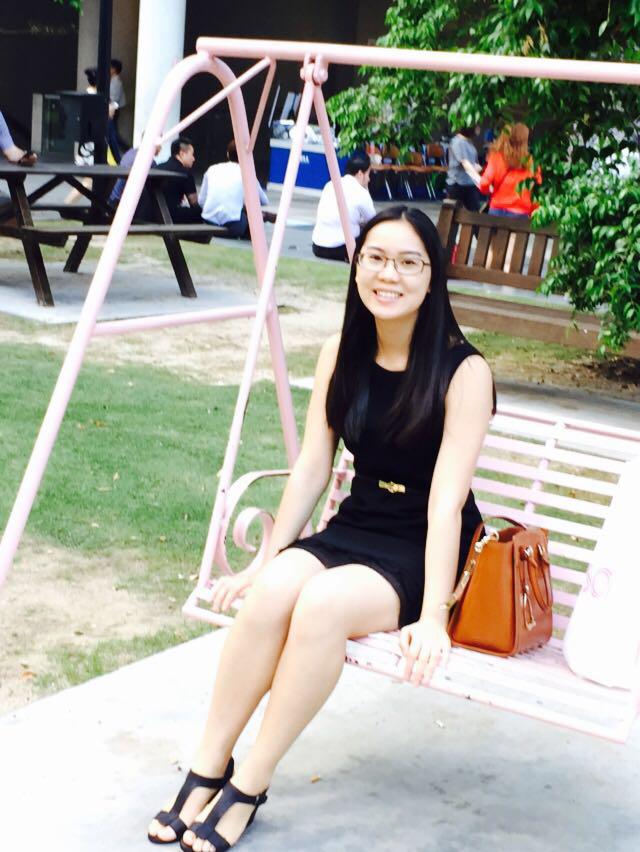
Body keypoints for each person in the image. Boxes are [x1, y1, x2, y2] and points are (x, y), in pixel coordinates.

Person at [147, 205, 495, 851]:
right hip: (356, 524)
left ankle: (249, 783)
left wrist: (432, 617)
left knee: (322, 604)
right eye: (376, 258)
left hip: (417, 547)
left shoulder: (463, 372)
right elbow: (313, 464)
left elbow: (447, 505)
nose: (389, 275)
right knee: (275, 590)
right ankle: (208, 765)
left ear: (432, 278)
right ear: (356, 266)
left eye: (409, 263)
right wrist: (269, 557)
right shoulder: (343, 352)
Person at [462, 122, 542, 218]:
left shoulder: (496, 158)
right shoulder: (531, 163)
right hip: (521, 213)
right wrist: (533, 210)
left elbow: (484, 184)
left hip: (497, 210)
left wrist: (488, 190)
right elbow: (537, 190)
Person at [198, 140, 270, 238]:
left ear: (228, 154)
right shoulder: (247, 173)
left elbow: (201, 201)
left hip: (208, 222)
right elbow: (263, 201)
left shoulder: (212, 169)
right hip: (233, 227)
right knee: (252, 215)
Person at [311, 152, 376, 261]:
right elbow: (373, 221)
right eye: (369, 174)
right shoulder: (361, 192)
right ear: (360, 173)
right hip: (344, 249)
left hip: (318, 247)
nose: (369, 179)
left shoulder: (330, 184)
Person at [157, 137, 202, 224]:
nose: (193, 159)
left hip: (152, 215)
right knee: (199, 213)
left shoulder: (158, 167)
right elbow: (194, 203)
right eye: (192, 154)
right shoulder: (185, 172)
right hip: (171, 217)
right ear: (182, 154)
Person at [444, 127, 483, 211]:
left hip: (470, 183)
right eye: (476, 126)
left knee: (474, 213)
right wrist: (479, 180)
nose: (478, 128)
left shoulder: (469, 142)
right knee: (454, 214)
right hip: (457, 184)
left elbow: (475, 163)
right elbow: (464, 163)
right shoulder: (457, 142)